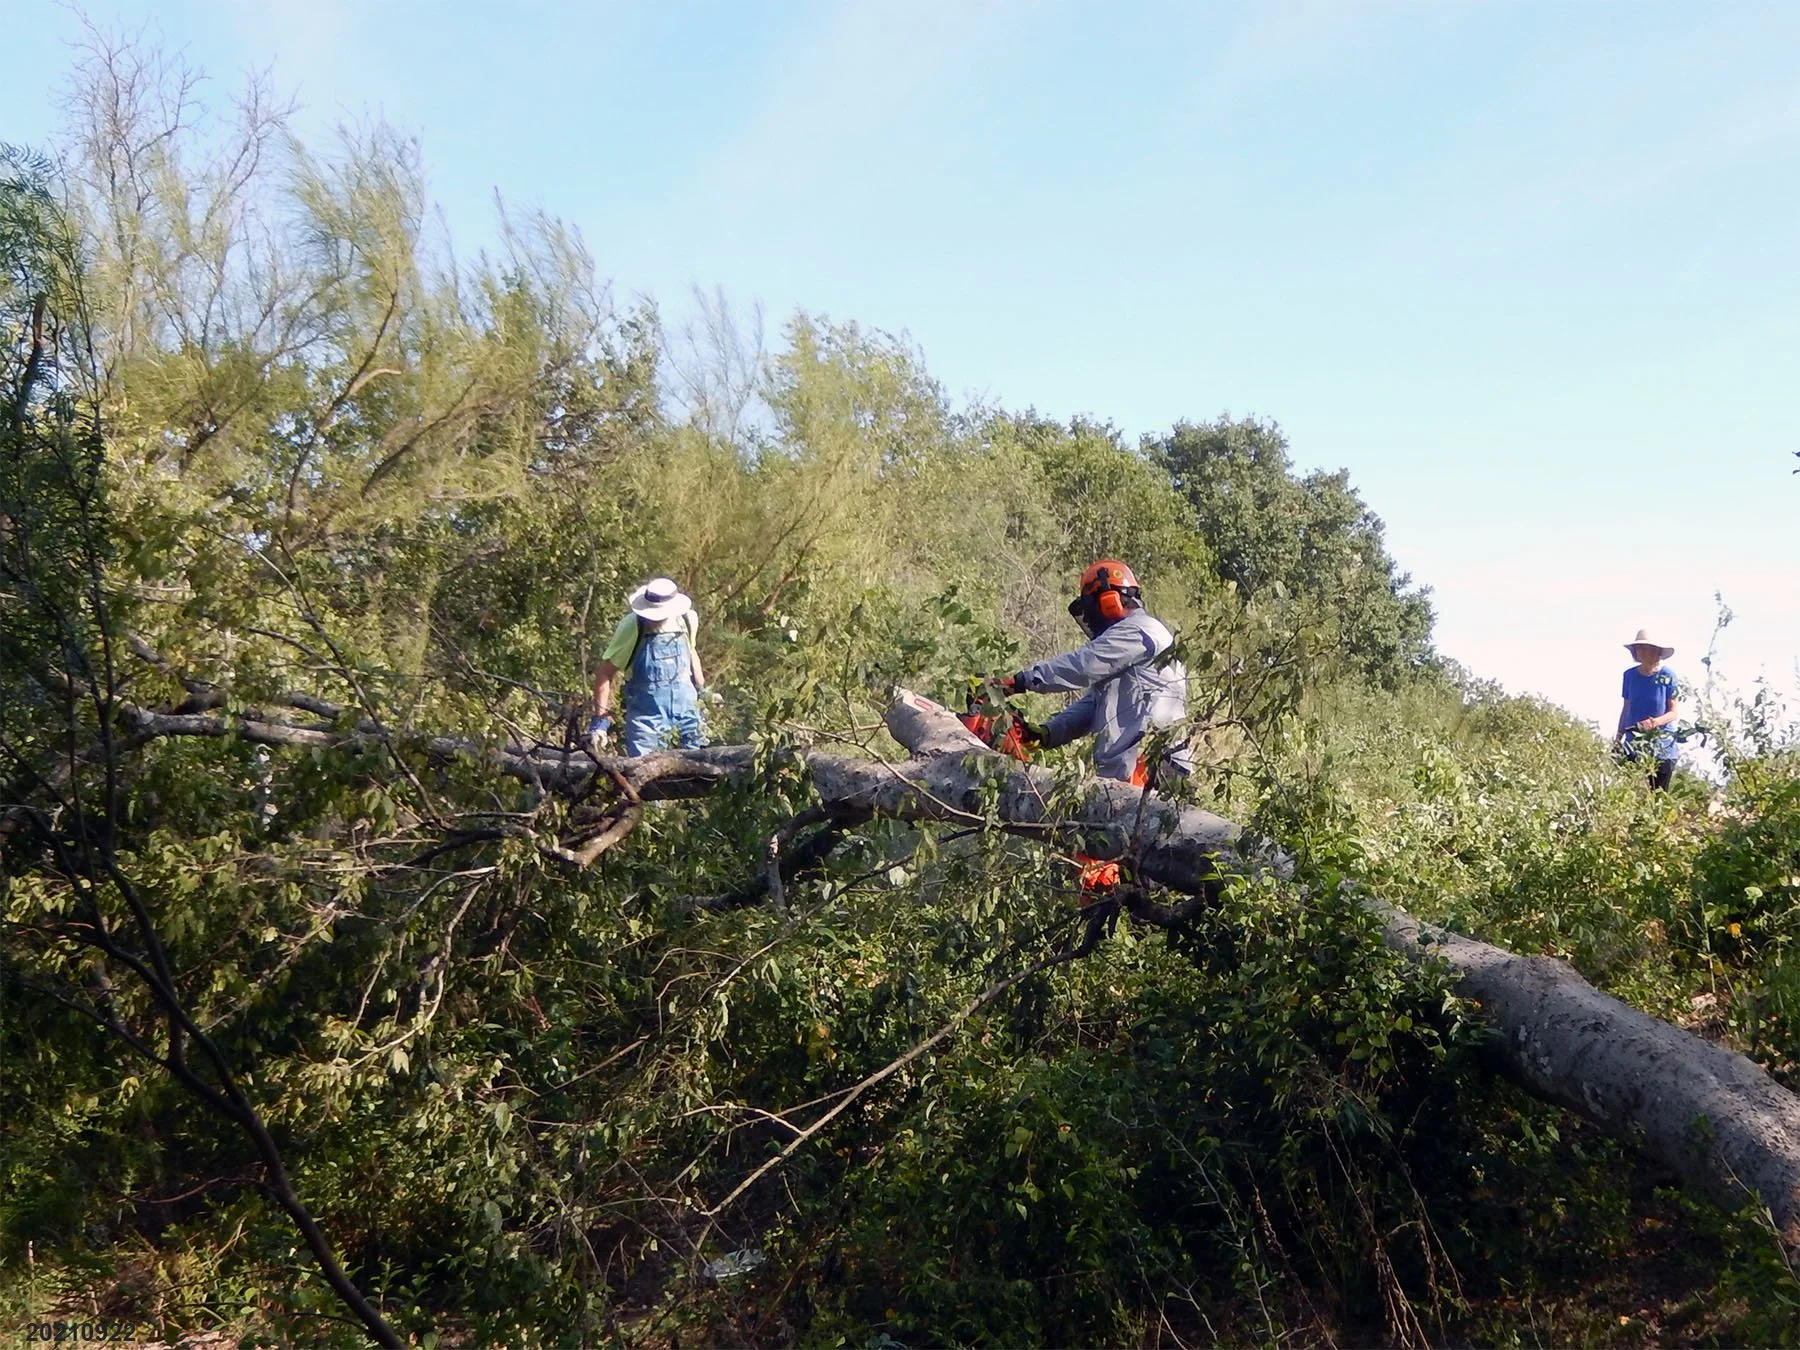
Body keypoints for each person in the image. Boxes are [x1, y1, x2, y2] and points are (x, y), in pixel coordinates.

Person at [998, 559, 1193, 787]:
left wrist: (1019, 682)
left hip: (1149, 763)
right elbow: (1093, 705)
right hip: (1145, 764)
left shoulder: (1140, 630)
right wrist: (1047, 733)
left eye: (1090, 607)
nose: (1089, 618)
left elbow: (1083, 665)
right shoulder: (1131, 644)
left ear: (1109, 599)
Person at [588, 578, 708, 756]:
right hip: (647, 723)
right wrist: (600, 722)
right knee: (644, 774)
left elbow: (691, 652)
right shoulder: (632, 626)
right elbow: (604, 674)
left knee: (697, 773)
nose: (653, 619)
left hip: (688, 714)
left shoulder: (687, 620)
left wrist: (703, 691)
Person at [1615, 627, 1681, 791]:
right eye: (1640, 649)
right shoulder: (1629, 676)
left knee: (1657, 798)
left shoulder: (1668, 676)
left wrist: (1653, 723)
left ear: (1657, 652)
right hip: (1633, 745)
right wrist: (1618, 738)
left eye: (1648, 649)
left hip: (1662, 748)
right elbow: (1626, 708)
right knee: (1629, 795)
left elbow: (1673, 712)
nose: (1643, 652)